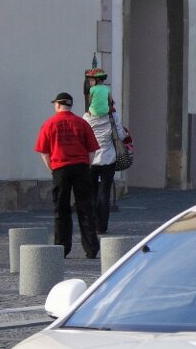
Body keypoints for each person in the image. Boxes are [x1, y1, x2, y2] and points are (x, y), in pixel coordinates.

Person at [35, 91, 100, 258]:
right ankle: (91, 248)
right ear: (70, 105)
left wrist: (52, 168)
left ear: (57, 105)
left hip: (60, 168)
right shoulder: (82, 123)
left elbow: (44, 152)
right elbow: (92, 150)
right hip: (81, 168)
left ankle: (62, 247)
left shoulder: (49, 124)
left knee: (61, 210)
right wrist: (87, 165)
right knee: (86, 208)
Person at [83, 82, 127, 234]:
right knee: (105, 193)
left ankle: (93, 224)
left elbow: (84, 138)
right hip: (108, 159)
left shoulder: (87, 117)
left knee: (92, 192)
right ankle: (102, 226)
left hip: (92, 160)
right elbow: (120, 135)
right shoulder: (112, 114)